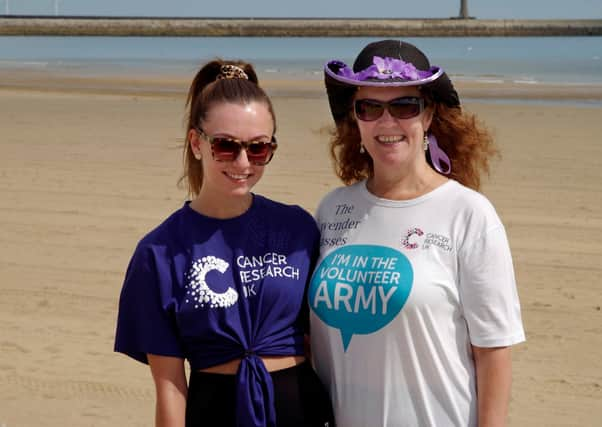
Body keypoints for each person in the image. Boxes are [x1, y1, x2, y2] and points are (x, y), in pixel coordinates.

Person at [308, 40, 526, 427]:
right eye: (369, 107)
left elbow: (493, 351)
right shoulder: (331, 209)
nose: (386, 122)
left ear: (427, 117)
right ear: (354, 120)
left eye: (405, 106)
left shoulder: (469, 213)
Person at [114, 59, 334, 427]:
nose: (244, 162)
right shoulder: (158, 252)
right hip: (213, 411)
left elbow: (320, 346)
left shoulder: (298, 228)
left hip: (302, 409)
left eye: (259, 148)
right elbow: (169, 386)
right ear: (197, 143)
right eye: (226, 146)